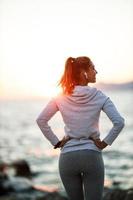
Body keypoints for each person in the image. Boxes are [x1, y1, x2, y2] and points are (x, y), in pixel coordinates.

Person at [36, 56, 125, 200]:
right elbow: (119, 122)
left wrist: (56, 142)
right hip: (91, 156)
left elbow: (41, 120)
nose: (96, 71)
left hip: (67, 158)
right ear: (84, 72)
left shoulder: (60, 97)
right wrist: (104, 143)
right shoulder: (99, 96)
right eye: (93, 68)